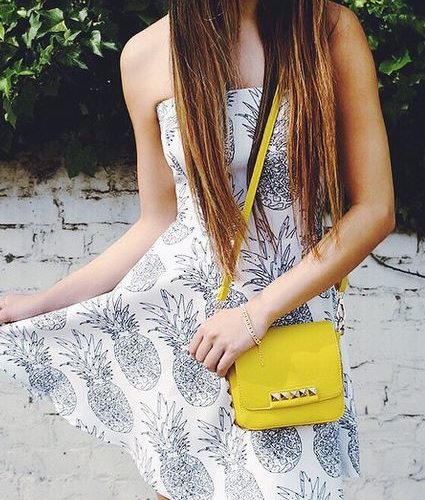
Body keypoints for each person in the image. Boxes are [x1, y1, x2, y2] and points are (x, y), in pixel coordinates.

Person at [0, 1, 395, 499]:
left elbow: (376, 209)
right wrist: (43, 303)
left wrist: (256, 314)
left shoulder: (326, 29)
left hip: (284, 333)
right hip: (187, 342)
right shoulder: (145, 54)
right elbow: (158, 221)